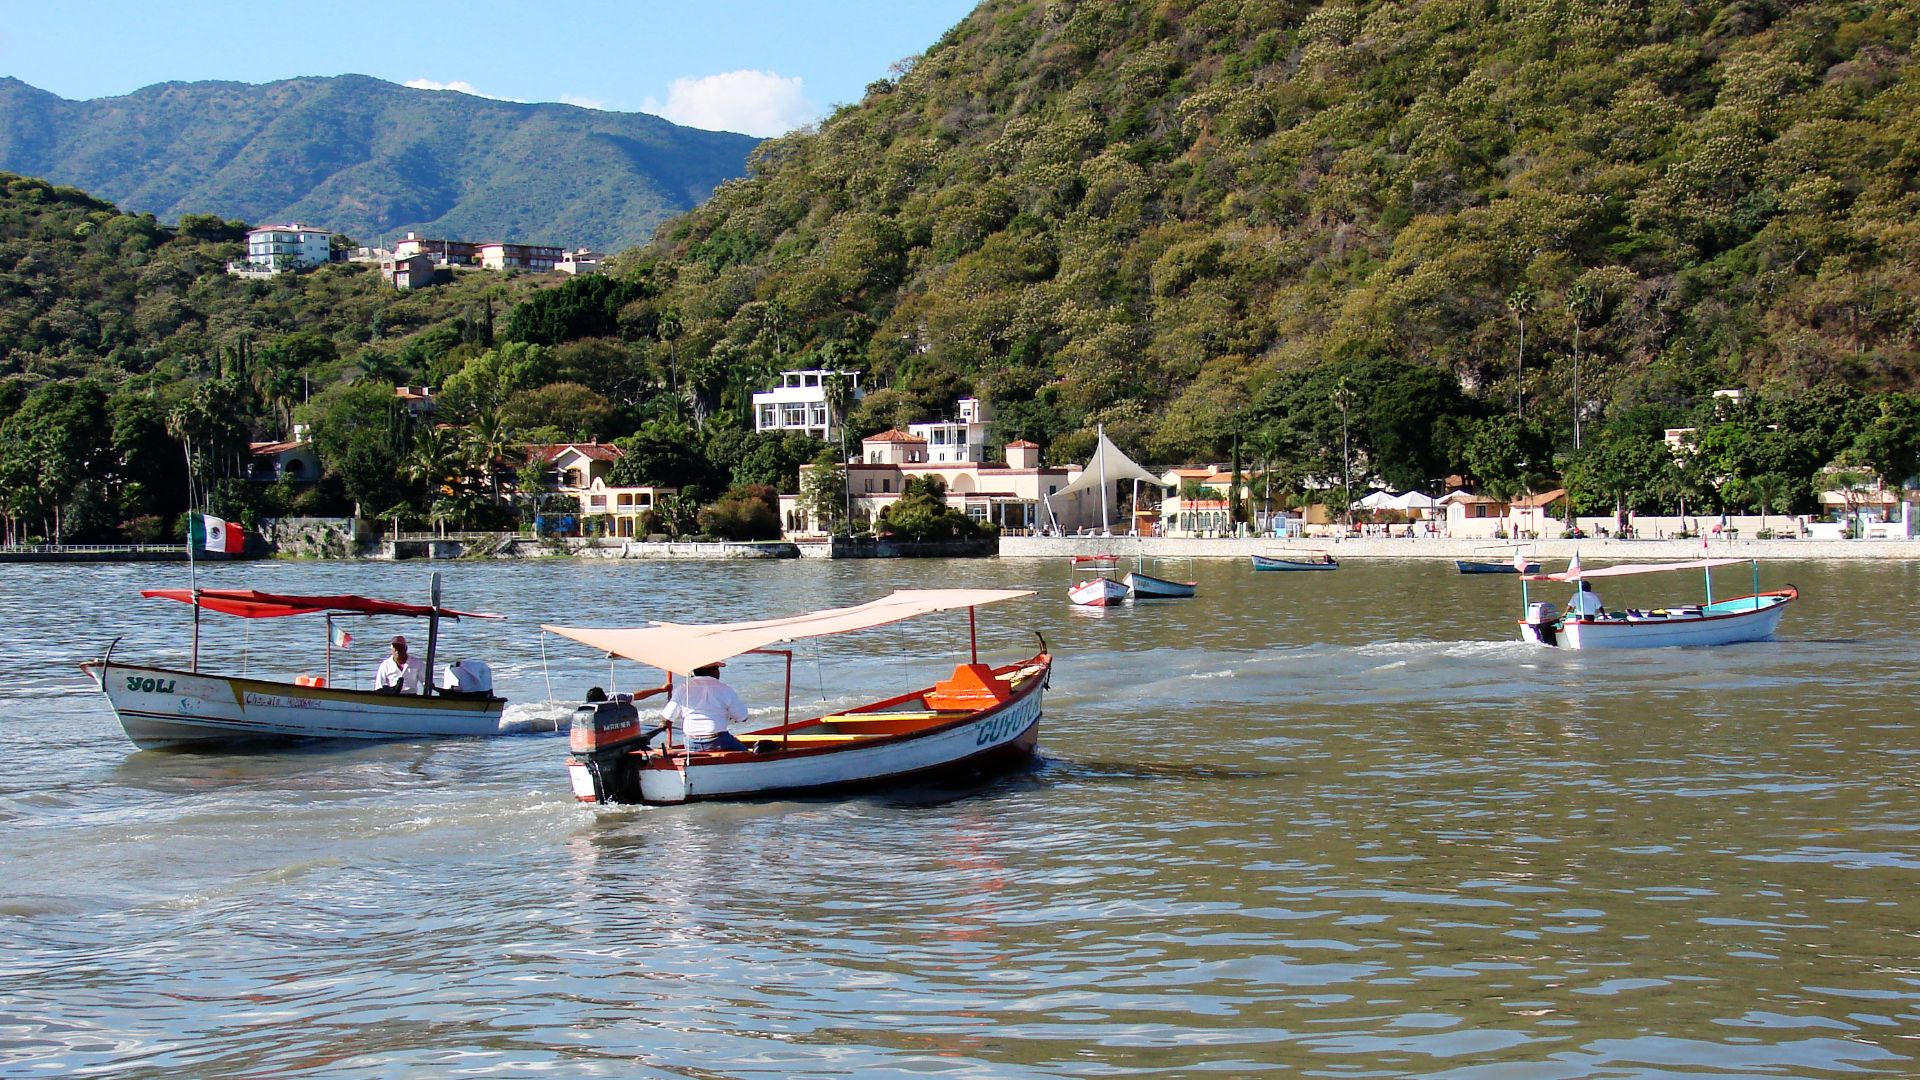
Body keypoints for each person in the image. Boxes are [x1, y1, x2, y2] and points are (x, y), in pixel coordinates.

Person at [661, 661, 749, 752]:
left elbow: (667, 719)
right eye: (717, 669)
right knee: (747, 754)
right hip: (718, 740)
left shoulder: (682, 689)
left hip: (691, 742)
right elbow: (742, 717)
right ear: (713, 670)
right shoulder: (725, 689)